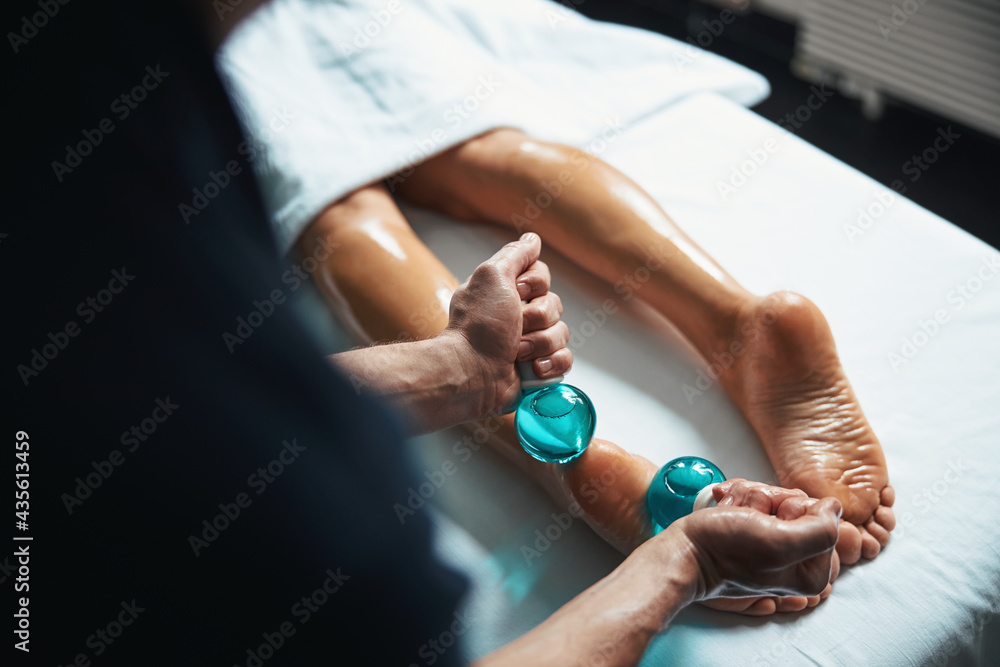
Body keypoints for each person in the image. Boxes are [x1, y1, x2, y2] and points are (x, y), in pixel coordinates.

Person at [7, 1, 845, 665]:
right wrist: (682, 562)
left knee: (340, 207)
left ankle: (610, 439)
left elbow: (160, 416)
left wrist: (458, 366)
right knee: (479, 150)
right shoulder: (320, 555)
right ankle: (732, 323)